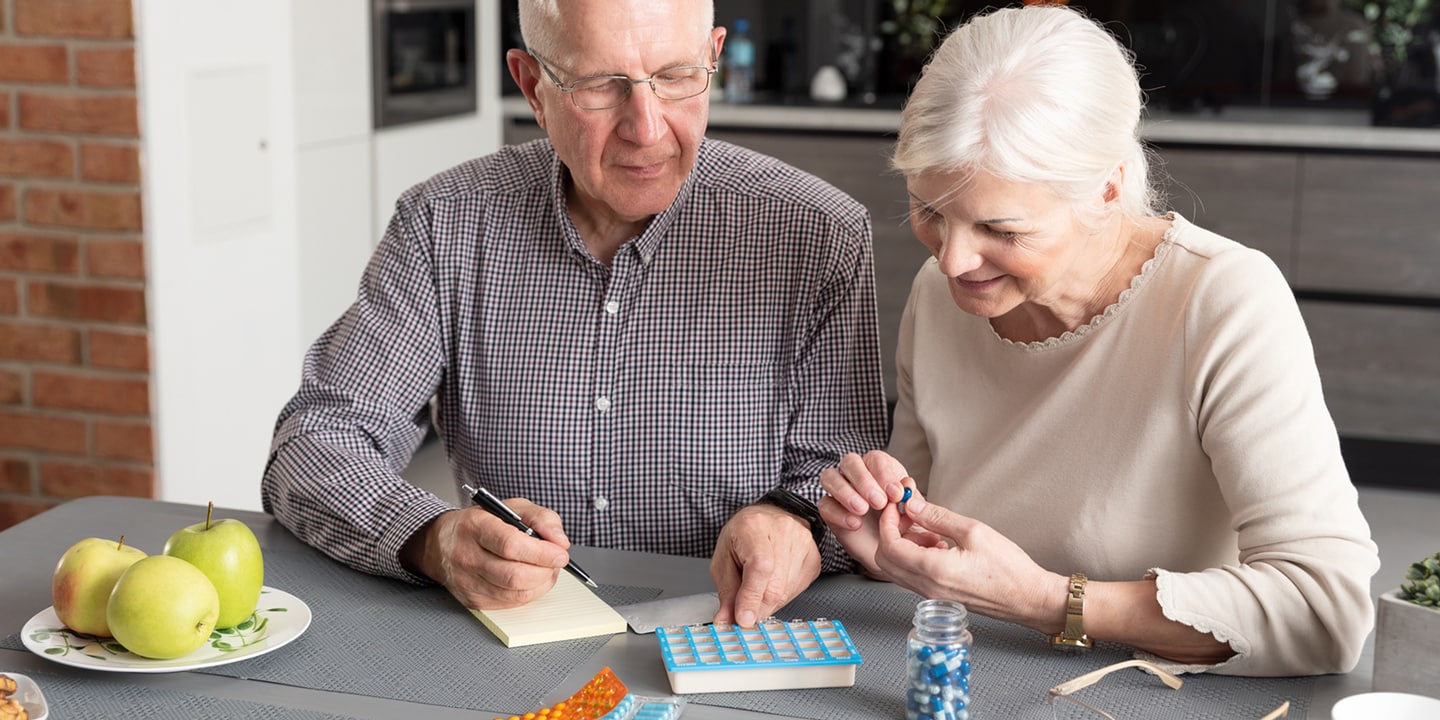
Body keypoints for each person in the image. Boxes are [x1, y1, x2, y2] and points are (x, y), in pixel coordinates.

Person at [261, 0, 888, 628]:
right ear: (533, 87)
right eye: (600, 86)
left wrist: (792, 518)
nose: (646, 129)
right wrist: (433, 538)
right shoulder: (444, 223)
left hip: (733, 644)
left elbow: (845, 476)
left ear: (714, 59)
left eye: (675, 76)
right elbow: (317, 440)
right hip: (514, 647)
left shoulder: (817, 233)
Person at [818, 4, 1378, 677]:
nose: (953, 261)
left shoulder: (1222, 301)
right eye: (930, 212)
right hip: (975, 676)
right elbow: (931, 552)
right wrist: (883, 539)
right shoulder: (940, 300)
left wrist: (1047, 602)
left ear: (1108, 190)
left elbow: (1328, 612)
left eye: (1002, 229)